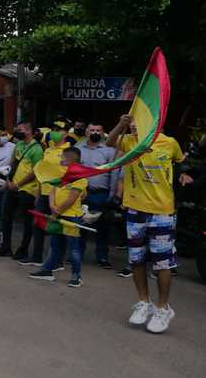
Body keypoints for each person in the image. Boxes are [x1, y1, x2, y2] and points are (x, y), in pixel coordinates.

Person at [107, 114, 186, 333]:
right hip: (135, 210)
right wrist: (120, 124)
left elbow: (180, 162)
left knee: (162, 263)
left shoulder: (169, 143)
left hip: (162, 211)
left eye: (136, 122)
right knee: (137, 259)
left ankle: (163, 308)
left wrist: (183, 176)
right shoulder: (130, 141)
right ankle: (144, 302)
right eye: (131, 122)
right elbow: (109, 142)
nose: (133, 125)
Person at [28, 147, 88, 287]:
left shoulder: (79, 177)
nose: (60, 159)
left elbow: (72, 199)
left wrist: (56, 211)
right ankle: (47, 271)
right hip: (57, 214)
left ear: (69, 160)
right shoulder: (61, 174)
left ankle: (76, 276)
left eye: (62, 157)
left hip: (71, 217)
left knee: (73, 248)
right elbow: (52, 191)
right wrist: (52, 206)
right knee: (55, 246)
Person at [0, 121, 44, 259]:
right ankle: (6, 247)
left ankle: (23, 250)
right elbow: (12, 163)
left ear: (28, 131)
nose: (16, 131)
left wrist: (18, 184)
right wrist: (8, 180)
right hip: (12, 187)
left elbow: (35, 171)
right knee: (6, 218)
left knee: (27, 222)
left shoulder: (37, 149)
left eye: (20, 129)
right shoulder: (19, 145)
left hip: (27, 190)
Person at [20, 127, 69, 267]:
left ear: (65, 133)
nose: (55, 133)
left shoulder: (69, 150)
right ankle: (36, 256)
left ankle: (57, 261)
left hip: (60, 193)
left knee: (57, 227)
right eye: (54, 130)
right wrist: (38, 193)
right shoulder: (48, 149)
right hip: (44, 193)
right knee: (38, 224)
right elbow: (41, 172)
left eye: (59, 130)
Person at [77, 123, 117, 268]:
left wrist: (112, 195)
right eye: (92, 130)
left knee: (102, 228)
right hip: (81, 195)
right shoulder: (78, 149)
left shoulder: (110, 151)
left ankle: (102, 258)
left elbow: (114, 173)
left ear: (103, 133)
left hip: (101, 194)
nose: (95, 132)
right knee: (80, 226)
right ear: (87, 132)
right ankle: (77, 255)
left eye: (98, 130)